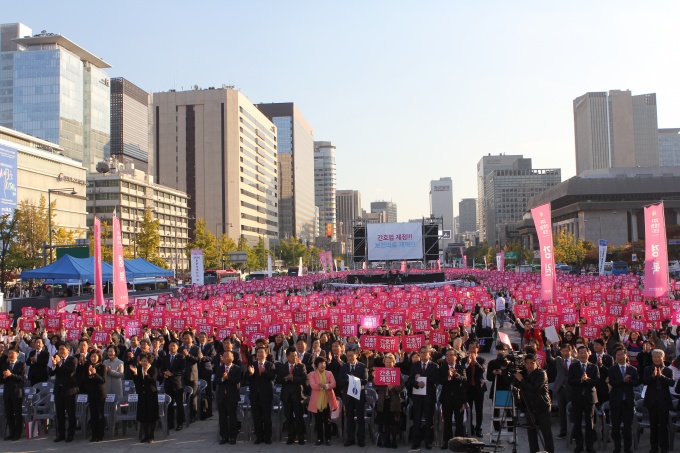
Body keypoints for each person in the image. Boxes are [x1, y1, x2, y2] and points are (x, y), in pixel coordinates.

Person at [513, 353, 555, 453]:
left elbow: (534, 388)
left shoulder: (541, 373)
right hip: (530, 407)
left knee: (546, 434)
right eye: (527, 363)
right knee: (531, 435)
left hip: (542, 407)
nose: (529, 365)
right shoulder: (523, 373)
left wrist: (521, 380)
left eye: (532, 363)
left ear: (536, 363)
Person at [567, 345, 599, 453]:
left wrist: (587, 380)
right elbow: (570, 381)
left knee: (590, 423)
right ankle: (579, 445)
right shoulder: (573, 366)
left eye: (585, 352)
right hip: (577, 398)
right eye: (580, 352)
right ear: (577, 354)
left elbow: (597, 381)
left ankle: (590, 446)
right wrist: (580, 380)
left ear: (588, 353)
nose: (583, 354)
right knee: (577, 422)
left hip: (589, 398)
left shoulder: (593, 367)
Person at [408, 346, 439, 450]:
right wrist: (416, 383)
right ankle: (416, 441)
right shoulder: (415, 365)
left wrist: (423, 379)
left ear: (429, 354)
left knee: (429, 419)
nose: (423, 354)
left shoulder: (434, 366)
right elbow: (410, 379)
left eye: (425, 352)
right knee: (417, 419)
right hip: (417, 396)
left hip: (429, 396)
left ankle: (428, 441)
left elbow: (436, 379)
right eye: (421, 352)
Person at [608, 347, 638, 453]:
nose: (620, 357)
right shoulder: (612, 369)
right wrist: (623, 381)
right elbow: (612, 382)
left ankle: (627, 448)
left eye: (622, 354)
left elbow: (636, 382)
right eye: (618, 355)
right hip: (616, 402)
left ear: (626, 355)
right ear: (616, 356)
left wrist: (628, 382)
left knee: (627, 427)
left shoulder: (632, 369)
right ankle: (617, 447)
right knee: (615, 427)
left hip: (628, 402)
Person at [643, 349, 674, 453]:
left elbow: (672, 383)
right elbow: (644, 381)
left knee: (663, 426)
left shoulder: (668, 370)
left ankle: (664, 448)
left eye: (658, 357)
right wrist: (653, 376)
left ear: (663, 358)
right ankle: (654, 447)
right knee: (653, 426)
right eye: (655, 357)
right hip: (652, 401)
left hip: (663, 402)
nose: (656, 359)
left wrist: (661, 376)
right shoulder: (648, 369)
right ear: (652, 358)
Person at [245, 346, 276, 444]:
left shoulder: (270, 365)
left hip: (266, 396)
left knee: (267, 418)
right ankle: (259, 437)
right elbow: (247, 378)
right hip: (255, 396)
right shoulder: (252, 365)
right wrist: (251, 373)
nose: (260, 354)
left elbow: (272, 376)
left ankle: (268, 438)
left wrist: (264, 372)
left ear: (266, 355)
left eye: (262, 352)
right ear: (256, 355)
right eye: (258, 353)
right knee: (256, 418)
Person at [276, 348, 308, 445]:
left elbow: (304, 379)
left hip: (298, 396)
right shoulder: (283, 367)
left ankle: (301, 437)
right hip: (286, 396)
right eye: (292, 356)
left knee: (299, 417)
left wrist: (293, 378)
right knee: (288, 417)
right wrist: (285, 379)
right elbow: (278, 379)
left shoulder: (301, 366)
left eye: (295, 356)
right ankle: (291, 437)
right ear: (287, 357)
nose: (294, 358)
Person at [340, 348, 368, 447]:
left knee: (360, 418)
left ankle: (361, 439)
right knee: (349, 418)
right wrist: (348, 380)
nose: (350, 357)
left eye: (352, 355)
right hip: (348, 396)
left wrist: (354, 379)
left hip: (359, 395)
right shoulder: (344, 367)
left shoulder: (362, 366)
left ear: (356, 355)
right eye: (348, 356)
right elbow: (340, 380)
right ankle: (350, 438)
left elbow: (365, 380)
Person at [439, 348, 467, 447]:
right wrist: (448, 377)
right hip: (446, 398)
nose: (449, 357)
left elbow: (464, 380)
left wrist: (456, 374)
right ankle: (447, 441)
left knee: (459, 420)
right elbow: (440, 381)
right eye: (447, 355)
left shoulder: (461, 367)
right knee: (447, 420)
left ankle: (459, 442)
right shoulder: (442, 368)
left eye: (451, 355)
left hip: (459, 398)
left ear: (456, 356)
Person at [51, 343, 79, 442]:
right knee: (59, 413)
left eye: (63, 349)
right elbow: (50, 373)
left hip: (69, 391)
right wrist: (54, 366)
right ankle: (61, 434)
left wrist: (60, 364)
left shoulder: (73, 360)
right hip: (59, 390)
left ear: (68, 350)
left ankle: (70, 434)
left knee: (71, 413)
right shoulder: (57, 359)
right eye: (59, 349)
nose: (61, 351)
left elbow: (70, 372)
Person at [376, 353, 404, 449]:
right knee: (386, 421)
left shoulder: (397, 373)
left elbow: (402, 385)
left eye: (390, 362)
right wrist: (375, 378)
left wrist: (394, 387)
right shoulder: (381, 372)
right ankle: (387, 439)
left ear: (393, 363)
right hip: (383, 400)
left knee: (394, 421)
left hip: (394, 400)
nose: (388, 364)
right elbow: (375, 385)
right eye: (386, 362)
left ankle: (394, 439)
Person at [214, 350, 242, 445]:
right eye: (224, 356)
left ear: (232, 358)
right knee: (222, 417)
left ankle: (233, 436)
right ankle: (224, 436)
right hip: (221, 396)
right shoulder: (219, 368)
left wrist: (228, 378)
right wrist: (222, 378)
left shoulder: (237, 368)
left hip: (232, 396)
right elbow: (216, 380)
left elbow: (237, 380)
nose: (226, 358)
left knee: (232, 417)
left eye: (228, 356)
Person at [545, 342, 573, 440]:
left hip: (571, 389)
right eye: (563, 351)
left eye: (567, 351)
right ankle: (563, 431)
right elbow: (549, 359)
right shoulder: (558, 359)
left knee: (572, 411)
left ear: (570, 351)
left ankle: (573, 432)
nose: (565, 353)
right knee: (562, 411)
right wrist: (548, 348)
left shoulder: (575, 361)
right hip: (560, 388)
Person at [308, 356, 337, 445]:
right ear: (317, 365)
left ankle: (328, 439)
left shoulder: (329, 373)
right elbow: (313, 385)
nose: (323, 365)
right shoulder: (312, 374)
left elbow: (333, 384)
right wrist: (324, 386)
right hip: (316, 401)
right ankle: (319, 438)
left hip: (327, 400)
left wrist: (326, 386)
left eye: (324, 363)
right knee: (318, 421)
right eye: (321, 363)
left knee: (327, 420)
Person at [130, 352, 158, 443]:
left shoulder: (153, 369)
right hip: (142, 395)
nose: (143, 362)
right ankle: (145, 435)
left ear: (149, 361)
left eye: (145, 361)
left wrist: (146, 374)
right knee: (143, 416)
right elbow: (137, 382)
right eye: (142, 361)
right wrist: (135, 374)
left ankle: (151, 436)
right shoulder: (139, 369)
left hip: (151, 395)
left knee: (151, 416)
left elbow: (152, 381)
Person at [160, 340, 186, 431]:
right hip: (168, 383)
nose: (172, 347)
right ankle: (170, 424)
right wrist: (165, 373)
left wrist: (172, 374)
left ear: (177, 347)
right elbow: (162, 368)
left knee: (179, 404)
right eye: (170, 345)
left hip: (177, 384)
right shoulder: (166, 357)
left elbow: (183, 370)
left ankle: (180, 423)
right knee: (169, 404)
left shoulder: (181, 357)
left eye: (174, 345)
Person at [1, 348, 26, 441]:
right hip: (7, 393)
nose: (11, 355)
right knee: (9, 413)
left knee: (17, 413)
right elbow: (1, 379)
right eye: (9, 353)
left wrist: (11, 375)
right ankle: (11, 433)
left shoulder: (21, 364)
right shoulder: (5, 365)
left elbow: (22, 378)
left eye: (12, 353)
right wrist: (4, 377)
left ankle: (18, 433)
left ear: (17, 354)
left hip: (17, 392)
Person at [464, 348, 487, 438]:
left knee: (479, 410)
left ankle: (478, 429)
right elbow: (462, 370)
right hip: (468, 388)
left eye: (474, 348)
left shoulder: (482, 359)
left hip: (478, 388)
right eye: (470, 348)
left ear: (477, 349)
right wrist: (467, 363)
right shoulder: (464, 360)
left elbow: (482, 370)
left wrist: (475, 362)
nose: (472, 350)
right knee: (468, 410)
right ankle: (470, 428)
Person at [85, 349, 107, 442]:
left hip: (100, 393)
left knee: (100, 414)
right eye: (91, 356)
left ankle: (100, 435)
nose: (93, 358)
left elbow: (103, 380)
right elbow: (85, 381)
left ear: (99, 357)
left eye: (95, 356)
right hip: (91, 393)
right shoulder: (88, 366)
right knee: (93, 414)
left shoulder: (102, 367)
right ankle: (94, 435)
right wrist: (89, 375)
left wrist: (95, 374)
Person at [179, 331, 200, 422]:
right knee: (183, 396)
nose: (186, 340)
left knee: (192, 396)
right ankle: (184, 415)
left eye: (188, 338)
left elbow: (198, 360)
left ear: (192, 338)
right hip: (182, 375)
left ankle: (193, 415)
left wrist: (188, 355)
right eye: (184, 338)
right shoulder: (180, 348)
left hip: (192, 375)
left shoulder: (196, 348)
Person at [196, 331, 216, 419]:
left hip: (206, 370)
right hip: (197, 371)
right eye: (200, 337)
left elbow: (212, 357)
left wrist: (203, 357)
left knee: (208, 391)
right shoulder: (196, 346)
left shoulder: (210, 346)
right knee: (198, 391)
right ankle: (200, 412)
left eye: (203, 337)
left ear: (206, 338)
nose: (201, 339)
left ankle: (209, 412)